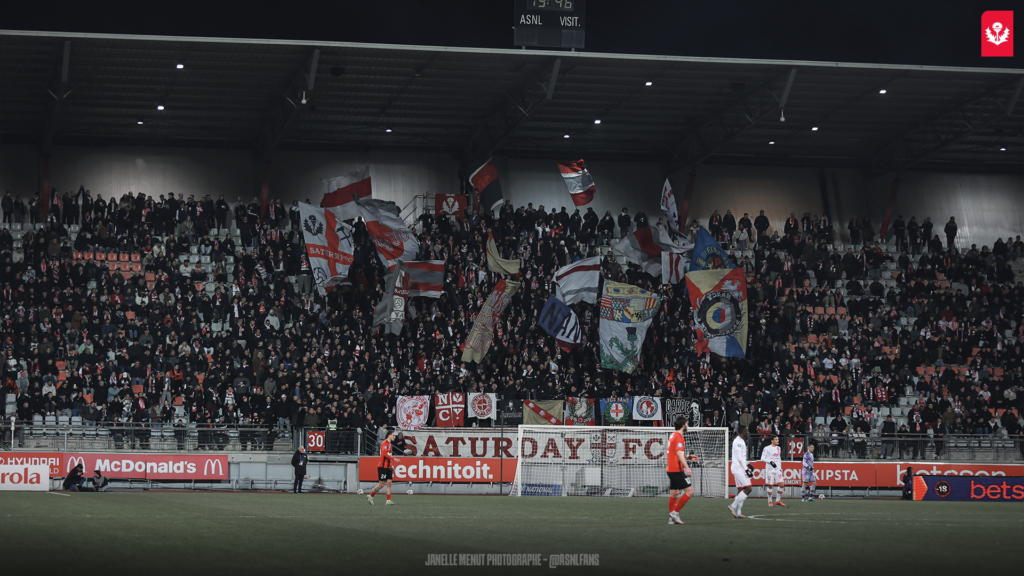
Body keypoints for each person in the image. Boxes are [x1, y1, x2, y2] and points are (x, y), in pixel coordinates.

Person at [665, 415, 699, 525]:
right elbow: (679, 454)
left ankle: (671, 518)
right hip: (676, 469)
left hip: (670, 469)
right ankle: (675, 513)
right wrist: (687, 467)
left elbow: (675, 453)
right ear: (683, 425)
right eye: (687, 423)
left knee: (674, 493)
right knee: (690, 491)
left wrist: (688, 456)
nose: (688, 425)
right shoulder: (679, 437)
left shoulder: (672, 435)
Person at [367, 427, 401, 506]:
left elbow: (389, 455)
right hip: (382, 467)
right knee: (381, 484)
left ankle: (388, 501)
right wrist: (394, 459)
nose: (394, 437)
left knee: (389, 483)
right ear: (389, 436)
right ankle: (370, 496)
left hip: (388, 467)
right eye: (393, 435)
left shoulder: (389, 444)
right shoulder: (384, 443)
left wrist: (391, 465)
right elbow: (384, 454)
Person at [728, 425, 753, 519]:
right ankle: (732, 506)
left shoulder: (741, 441)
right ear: (743, 431)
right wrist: (746, 469)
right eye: (747, 431)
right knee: (748, 488)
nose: (748, 432)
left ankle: (738, 512)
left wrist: (748, 464)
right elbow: (738, 457)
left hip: (740, 468)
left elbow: (741, 458)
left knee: (740, 490)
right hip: (738, 469)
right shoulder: (738, 441)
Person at [760, 434, 786, 507]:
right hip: (770, 469)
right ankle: (770, 501)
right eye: (776, 439)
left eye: (778, 439)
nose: (778, 440)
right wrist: (770, 462)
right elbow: (762, 458)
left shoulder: (778, 448)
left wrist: (780, 468)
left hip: (777, 469)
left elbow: (779, 458)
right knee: (770, 485)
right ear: (772, 441)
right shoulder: (766, 448)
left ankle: (778, 500)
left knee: (781, 484)